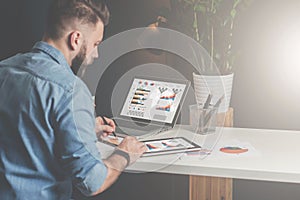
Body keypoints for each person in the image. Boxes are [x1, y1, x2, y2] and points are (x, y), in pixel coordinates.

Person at [0, 0, 147, 199]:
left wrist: (83, 128)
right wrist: (124, 155)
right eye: (95, 44)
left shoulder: (5, 69)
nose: (96, 54)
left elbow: (23, 129)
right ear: (76, 39)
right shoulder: (70, 90)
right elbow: (92, 182)